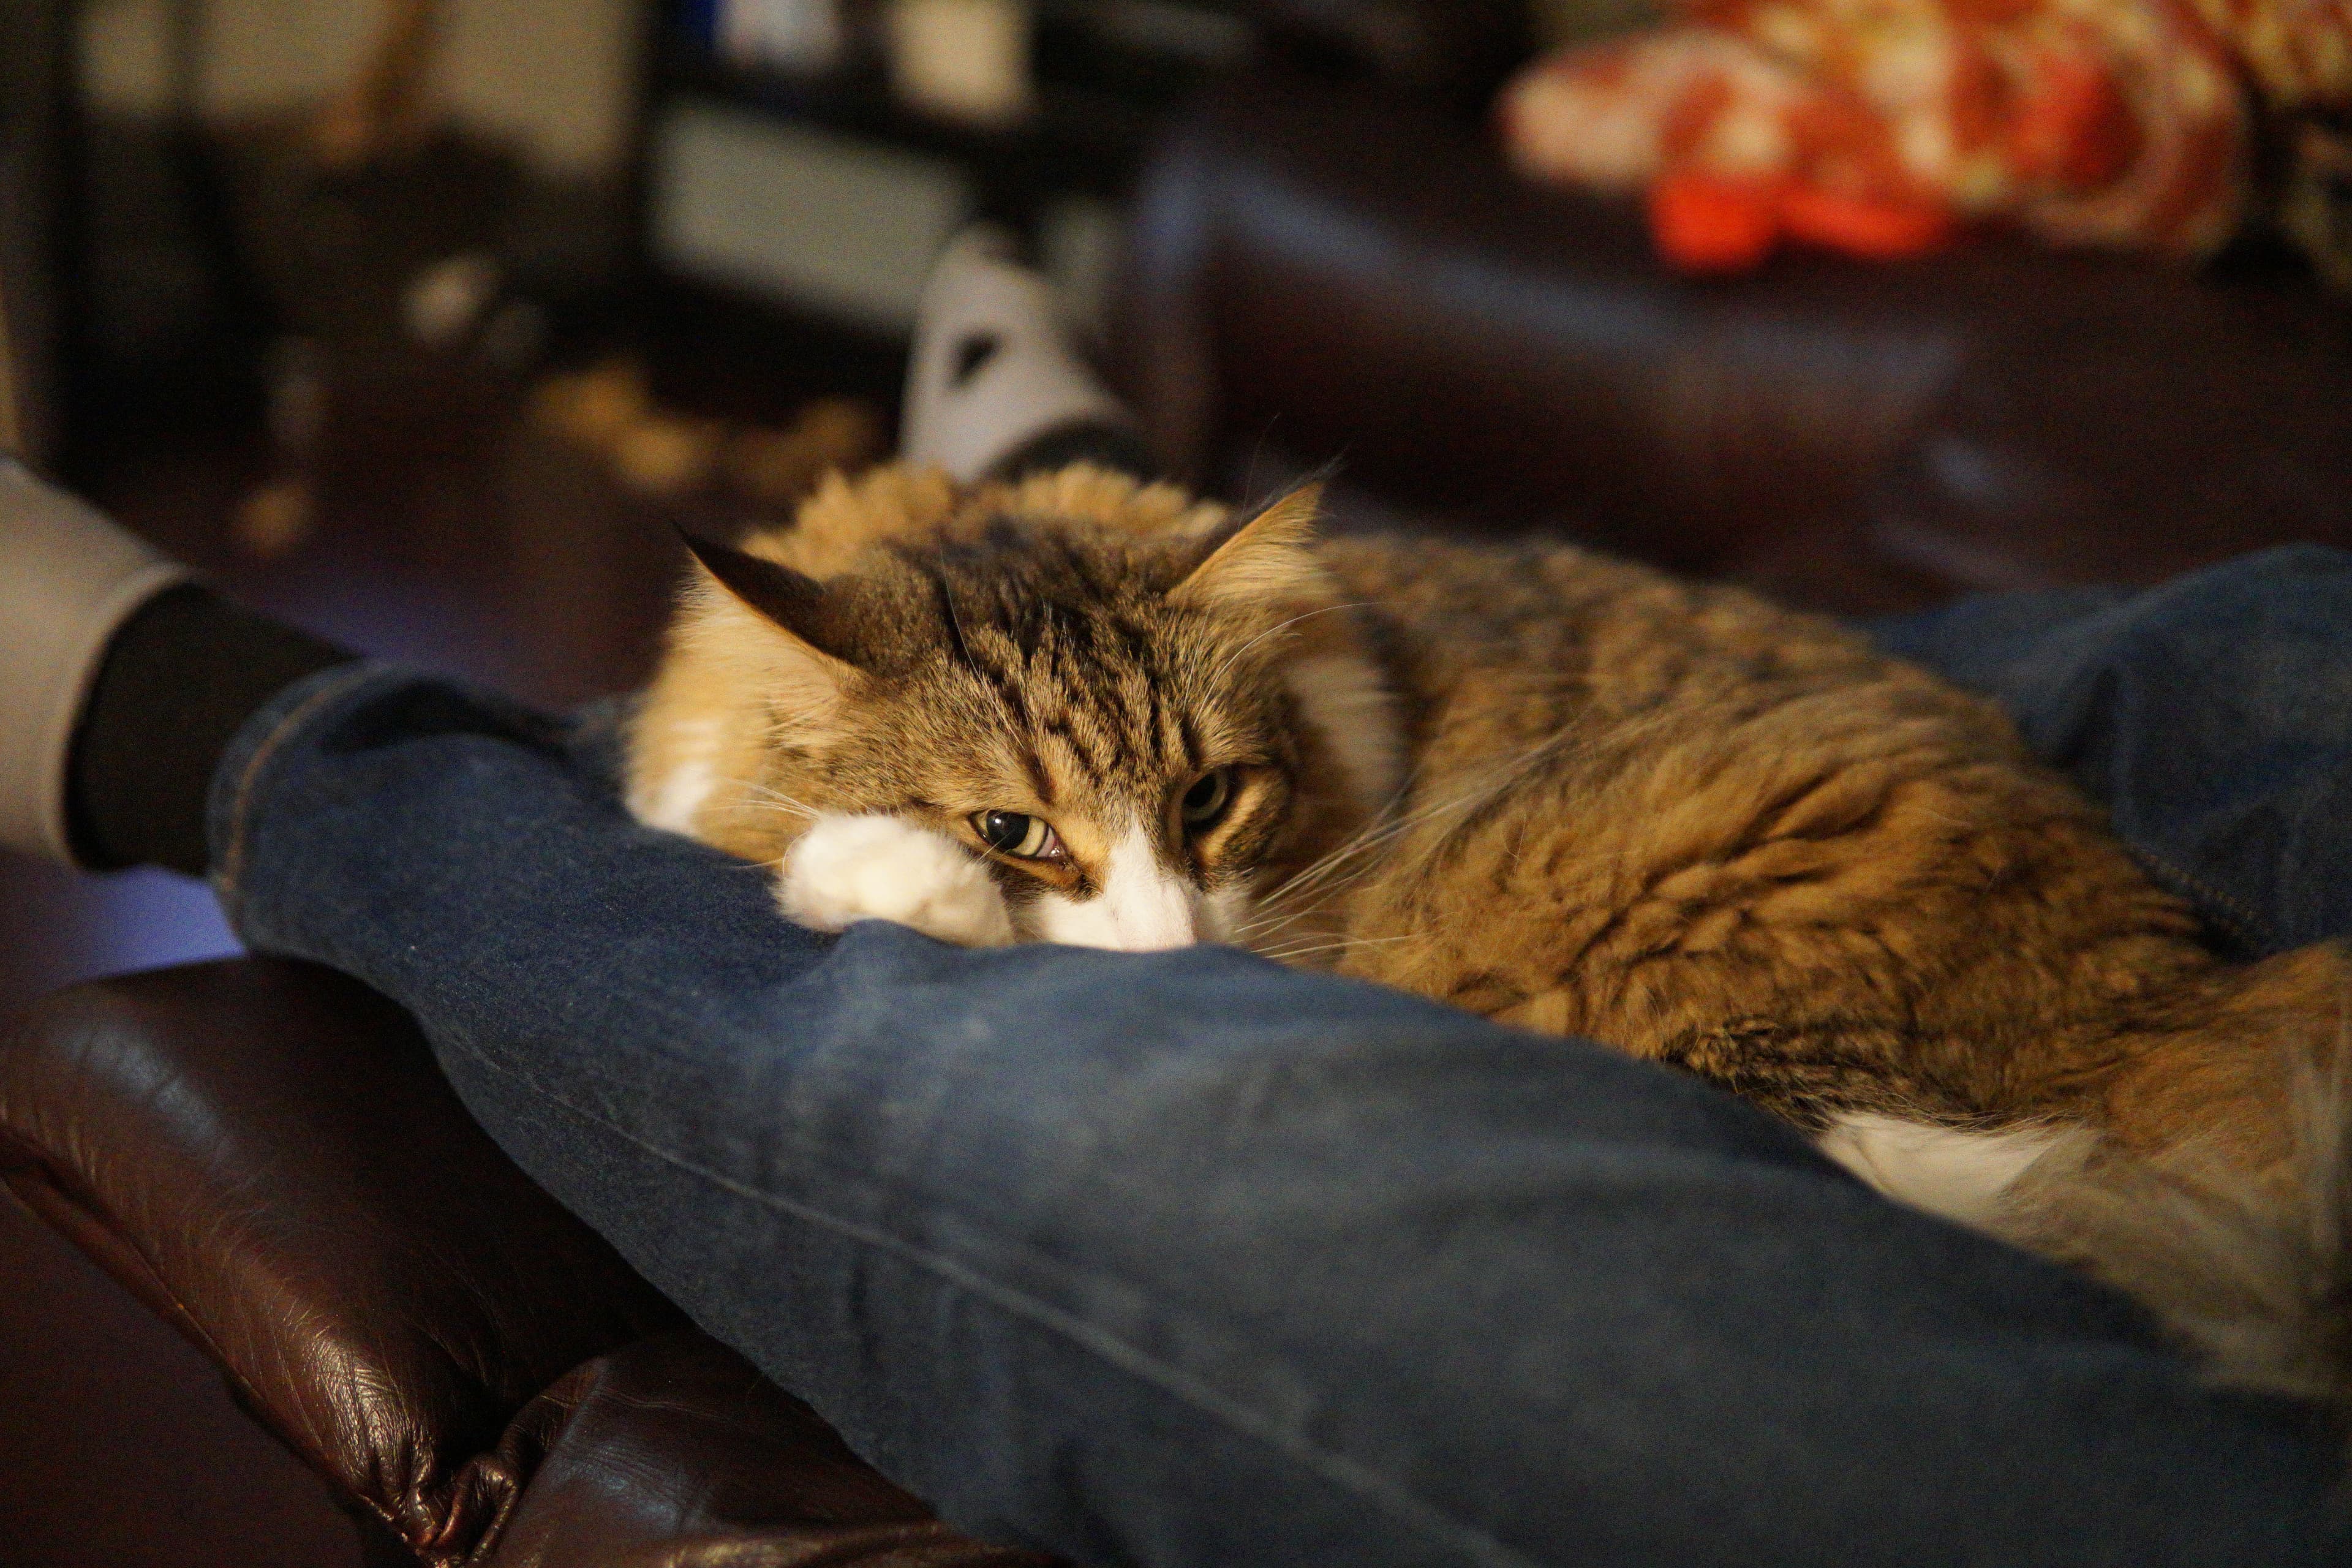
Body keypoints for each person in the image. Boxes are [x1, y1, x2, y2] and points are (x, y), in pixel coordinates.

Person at [4, 234, 2351, 1568]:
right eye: (1048, 843)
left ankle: (228, 729)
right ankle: (1074, 517)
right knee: (2243, 636)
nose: (1170, 919)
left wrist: (1044, 843)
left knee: (1097, 1062)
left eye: (1194, 827)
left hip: (1895, 1051)